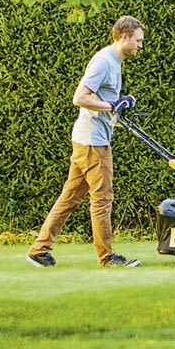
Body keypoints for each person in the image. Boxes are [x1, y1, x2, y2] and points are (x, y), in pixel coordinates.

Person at [26, 15, 147, 268]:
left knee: (70, 197)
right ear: (123, 37)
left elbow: (102, 99)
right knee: (102, 198)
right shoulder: (104, 61)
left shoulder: (114, 62)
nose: (140, 45)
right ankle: (107, 257)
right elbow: (79, 97)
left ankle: (39, 249)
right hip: (93, 142)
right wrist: (111, 105)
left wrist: (120, 102)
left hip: (87, 139)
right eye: (138, 40)